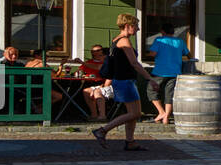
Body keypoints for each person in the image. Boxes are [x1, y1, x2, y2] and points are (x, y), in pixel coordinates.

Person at [92, 13, 154, 151]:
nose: (138, 29)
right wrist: (149, 78)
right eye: (136, 26)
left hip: (123, 80)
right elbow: (134, 63)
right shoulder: (124, 41)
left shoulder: (116, 40)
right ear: (128, 26)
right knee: (135, 113)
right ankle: (102, 130)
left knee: (135, 112)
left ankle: (130, 142)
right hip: (124, 81)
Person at [145, 23, 189, 124]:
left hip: (160, 72)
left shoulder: (159, 40)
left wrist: (146, 53)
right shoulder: (180, 41)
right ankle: (166, 117)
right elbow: (187, 53)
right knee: (169, 94)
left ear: (162, 31)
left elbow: (153, 54)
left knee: (151, 90)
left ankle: (161, 112)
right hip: (175, 72)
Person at [81, 45, 112, 122]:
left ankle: (102, 116)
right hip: (102, 84)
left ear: (105, 56)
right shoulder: (105, 64)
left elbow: (109, 80)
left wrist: (99, 88)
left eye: (100, 55)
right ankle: (94, 115)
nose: (98, 56)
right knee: (86, 91)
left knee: (97, 92)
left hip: (115, 87)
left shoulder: (111, 64)